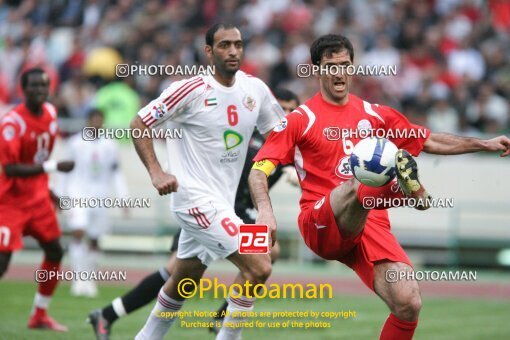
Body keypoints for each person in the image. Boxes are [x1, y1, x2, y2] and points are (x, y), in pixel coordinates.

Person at [248, 34, 510, 340]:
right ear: (318, 70)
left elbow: (427, 139)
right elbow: (259, 169)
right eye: (331, 66)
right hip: (321, 221)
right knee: (358, 178)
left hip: (370, 226)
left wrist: (485, 143)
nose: (340, 72)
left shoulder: (374, 114)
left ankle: (402, 188)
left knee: (408, 303)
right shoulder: (300, 120)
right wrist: (265, 212)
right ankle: (408, 190)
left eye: (345, 65)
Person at [88, 88, 298, 340]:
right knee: (182, 272)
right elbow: (246, 167)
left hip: (235, 211)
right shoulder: (251, 136)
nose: (283, 114)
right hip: (212, 206)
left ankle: (217, 319)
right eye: (281, 108)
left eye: (290, 110)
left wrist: (298, 173)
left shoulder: (287, 145)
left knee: (191, 273)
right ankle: (110, 314)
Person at [129, 23, 283, 340]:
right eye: (225, 45)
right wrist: (156, 172)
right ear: (209, 51)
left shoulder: (255, 90)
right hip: (194, 201)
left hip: (223, 204)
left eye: (238, 45)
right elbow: (139, 122)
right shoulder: (190, 89)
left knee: (184, 280)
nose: (233, 51)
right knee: (260, 266)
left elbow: (280, 138)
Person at [0, 68, 75, 331]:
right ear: (23, 89)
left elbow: (38, 159)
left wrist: (50, 190)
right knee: (2, 262)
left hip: (39, 199)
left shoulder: (52, 114)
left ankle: (39, 314)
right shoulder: (12, 123)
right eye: (33, 86)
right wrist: (53, 167)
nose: (39, 90)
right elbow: (10, 169)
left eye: (43, 86)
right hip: (10, 202)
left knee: (55, 250)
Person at [61, 108, 129, 297]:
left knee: (95, 239)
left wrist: (123, 197)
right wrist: (59, 196)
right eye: (94, 120)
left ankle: (89, 280)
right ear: (88, 122)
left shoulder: (110, 145)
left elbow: (117, 173)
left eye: (100, 120)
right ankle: (78, 280)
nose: (97, 124)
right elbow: (64, 170)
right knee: (78, 232)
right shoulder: (75, 143)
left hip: (100, 196)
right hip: (78, 194)